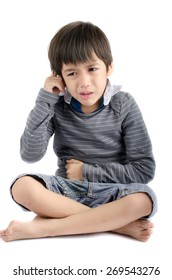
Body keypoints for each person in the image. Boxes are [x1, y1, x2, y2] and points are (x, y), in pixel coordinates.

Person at [0, 21, 157, 242]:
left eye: (92, 69)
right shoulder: (55, 106)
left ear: (109, 67)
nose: (84, 83)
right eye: (72, 73)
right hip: (66, 192)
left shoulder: (124, 105)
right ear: (59, 76)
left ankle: (44, 228)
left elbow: (144, 170)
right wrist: (46, 98)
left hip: (113, 193)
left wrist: (87, 172)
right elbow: (30, 154)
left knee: (143, 200)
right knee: (22, 187)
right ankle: (119, 227)